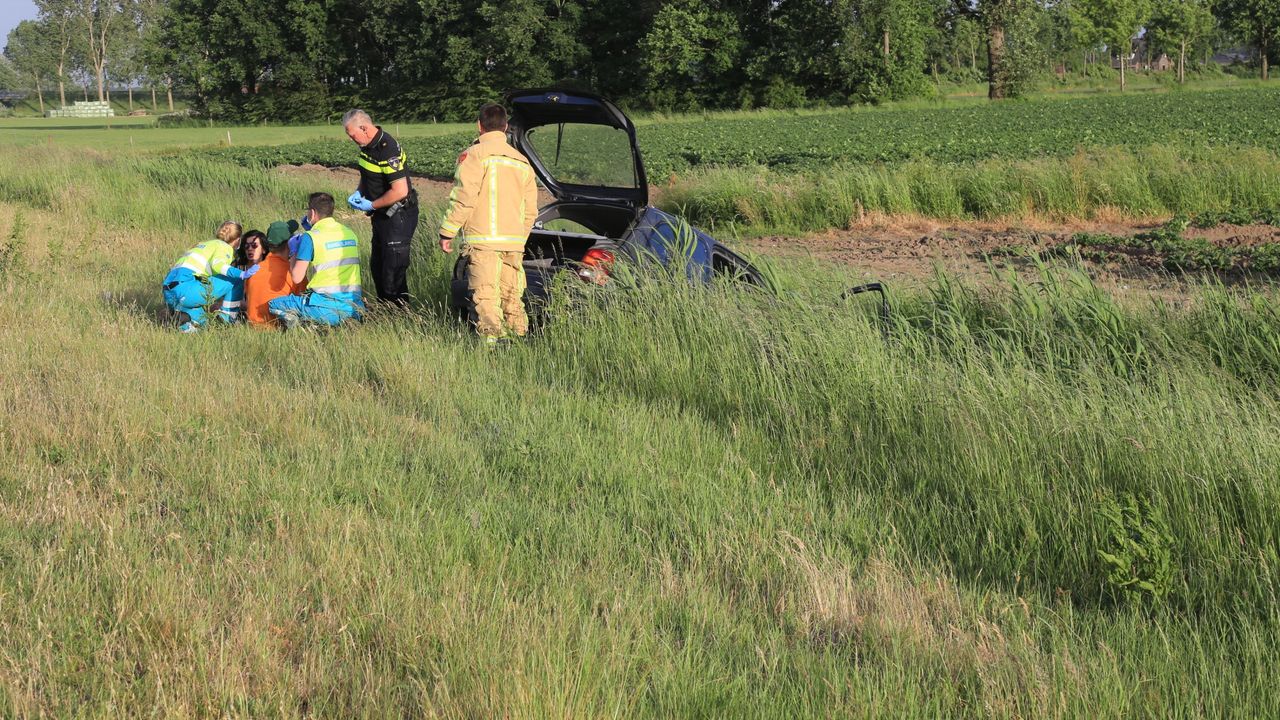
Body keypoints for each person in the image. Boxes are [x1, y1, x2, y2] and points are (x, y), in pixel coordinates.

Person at [438, 103, 539, 345]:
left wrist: (447, 231)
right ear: (505, 127)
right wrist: (519, 237)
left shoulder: (474, 155)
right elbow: (531, 210)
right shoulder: (522, 161)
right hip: (514, 243)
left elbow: (464, 197)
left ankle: (493, 348)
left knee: (485, 295)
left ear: (479, 126)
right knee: (512, 296)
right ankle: (519, 341)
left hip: (484, 240)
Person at [342, 109, 417, 306]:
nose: (352, 139)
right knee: (378, 267)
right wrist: (360, 192)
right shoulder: (367, 146)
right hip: (381, 216)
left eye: (352, 135)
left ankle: (401, 317)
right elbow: (368, 175)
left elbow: (400, 191)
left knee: (393, 272)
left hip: (398, 216)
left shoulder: (387, 148)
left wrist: (372, 204)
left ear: (364, 128)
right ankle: (385, 312)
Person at [268, 192, 364, 327]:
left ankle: (307, 328)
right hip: (355, 307)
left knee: (274, 304)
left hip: (326, 308)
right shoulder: (349, 233)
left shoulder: (310, 238)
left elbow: (296, 277)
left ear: (312, 213)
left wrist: (294, 251)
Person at [161, 221, 259, 333]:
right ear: (238, 240)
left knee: (203, 321)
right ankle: (228, 319)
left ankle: (178, 320)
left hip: (169, 292)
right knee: (235, 280)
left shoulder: (203, 244)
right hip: (187, 289)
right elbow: (218, 265)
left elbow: (199, 275)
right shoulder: (224, 247)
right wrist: (241, 274)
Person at [244, 221, 306, 328]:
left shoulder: (253, 269)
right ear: (289, 243)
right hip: (277, 327)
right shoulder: (292, 271)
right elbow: (304, 298)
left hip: (253, 326)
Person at [220, 229, 266, 323]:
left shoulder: (268, 269)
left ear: (264, 249)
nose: (250, 248)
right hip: (232, 308)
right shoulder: (236, 267)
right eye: (246, 246)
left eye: (254, 245)